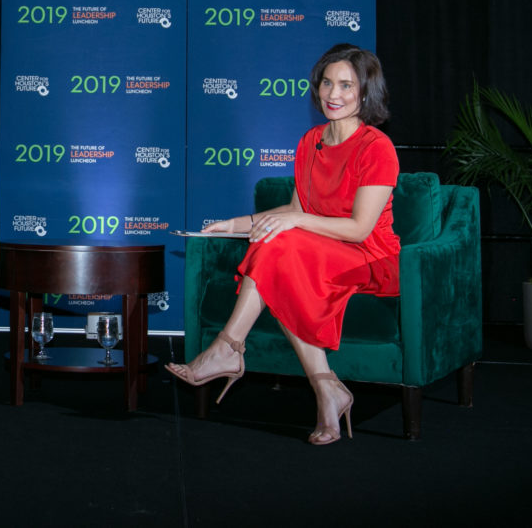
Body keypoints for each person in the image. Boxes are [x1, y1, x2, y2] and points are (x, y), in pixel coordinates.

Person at [166, 43, 400, 446]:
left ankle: (228, 347)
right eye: (327, 83)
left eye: (346, 85)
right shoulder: (311, 141)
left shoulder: (376, 147)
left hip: (369, 256)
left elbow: (360, 229)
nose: (333, 94)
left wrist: (295, 221)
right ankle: (326, 387)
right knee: (279, 246)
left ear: (365, 92)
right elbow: (294, 209)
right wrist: (232, 225)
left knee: (281, 243)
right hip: (318, 251)